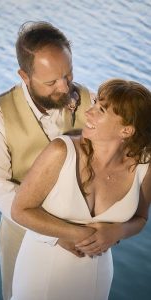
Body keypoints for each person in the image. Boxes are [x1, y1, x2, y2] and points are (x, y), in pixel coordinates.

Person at [0, 21, 142, 300]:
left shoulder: (90, 100)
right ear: (25, 75)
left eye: (68, 74)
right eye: (51, 82)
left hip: (89, 242)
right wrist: (55, 234)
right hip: (22, 232)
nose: (65, 87)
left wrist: (109, 229)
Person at [11, 78, 151, 300]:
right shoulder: (61, 151)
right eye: (94, 102)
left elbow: (141, 218)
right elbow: (20, 210)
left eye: (101, 110)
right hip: (43, 271)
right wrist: (79, 233)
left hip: (96, 275)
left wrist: (117, 232)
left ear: (126, 130)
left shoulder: (144, 166)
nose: (89, 112)